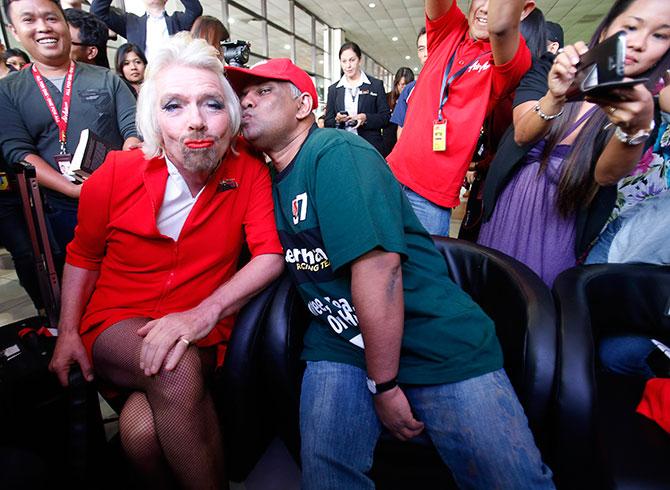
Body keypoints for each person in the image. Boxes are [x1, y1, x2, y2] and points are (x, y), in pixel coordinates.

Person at [226, 57, 555, 490]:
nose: (247, 102)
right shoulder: (264, 175)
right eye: (242, 96)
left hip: (431, 335)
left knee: (514, 482)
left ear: (304, 105)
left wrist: (383, 385)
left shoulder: (335, 153)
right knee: (327, 478)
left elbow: (380, 271)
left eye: (263, 92)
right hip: (341, 339)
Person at [48, 33, 284, 488]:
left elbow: (270, 254)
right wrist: (69, 332)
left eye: (212, 104)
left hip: (203, 328)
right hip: (118, 323)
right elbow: (83, 256)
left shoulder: (248, 171)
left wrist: (202, 314)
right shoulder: (115, 173)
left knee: (141, 436)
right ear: (153, 118)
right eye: (174, 106)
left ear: (231, 117)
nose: (196, 121)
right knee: (173, 370)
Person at [478, 0, 670, 286]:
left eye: (660, 35)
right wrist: (554, 96)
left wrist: (633, 129)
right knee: (490, 286)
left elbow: (605, 175)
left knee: (538, 304)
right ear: (607, 28)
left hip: (563, 223)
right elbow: (522, 134)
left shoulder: (644, 107)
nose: (640, 43)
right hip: (510, 201)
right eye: (631, 27)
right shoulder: (550, 66)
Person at [0, 0, 140, 267]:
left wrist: (125, 157)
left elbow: (133, 129)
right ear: (14, 30)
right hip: (57, 208)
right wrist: (72, 190)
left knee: (129, 269)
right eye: (29, 20)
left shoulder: (107, 79)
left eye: (51, 18)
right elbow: (18, 152)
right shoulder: (8, 92)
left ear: (64, 23)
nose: (43, 27)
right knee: (75, 275)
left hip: (118, 198)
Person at [387, 0, 535, 237]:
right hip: (391, 179)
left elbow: (501, 27)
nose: (486, 8)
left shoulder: (515, 57)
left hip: (431, 199)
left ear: (524, 10)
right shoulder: (451, 28)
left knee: (422, 272)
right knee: (378, 267)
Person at [324, 42, 391, 154]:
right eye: (344, 61)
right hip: (342, 147)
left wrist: (366, 118)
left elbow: (385, 117)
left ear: (360, 60)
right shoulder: (334, 90)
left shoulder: (375, 85)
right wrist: (337, 120)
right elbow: (328, 122)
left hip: (369, 147)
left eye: (352, 60)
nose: (348, 66)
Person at [91, 0, 202, 62]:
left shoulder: (178, 20)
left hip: (173, 76)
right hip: (143, 81)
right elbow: (98, 11)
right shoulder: (130, 22)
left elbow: (195, 10)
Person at [391, 27, 428, 140]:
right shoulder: (409, 90)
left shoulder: (454, 84)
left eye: (431, 46)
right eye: (421, 49)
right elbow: (401, 130)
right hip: (417, 152)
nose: (426, 53)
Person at [381, 66, 414, 156]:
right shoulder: (386, 98)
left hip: (406, 144)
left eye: (405, 85)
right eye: (400, 84)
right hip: (388, 146)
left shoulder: (414, 100)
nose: (402, 88)